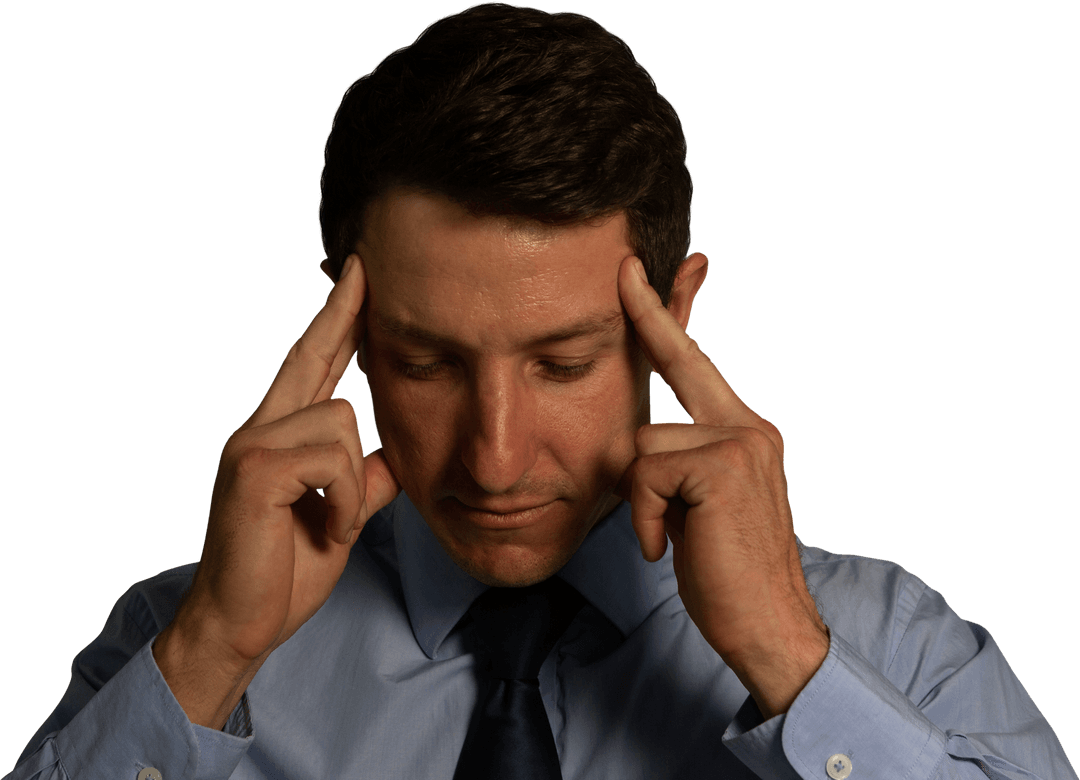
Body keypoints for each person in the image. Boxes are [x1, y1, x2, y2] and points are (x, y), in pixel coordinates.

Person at [7, 4, 1075, 779]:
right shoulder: (179, 644)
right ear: (349, 331)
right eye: (426, 363)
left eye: (562, 364)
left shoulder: (893, 651)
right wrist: (207, 655)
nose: (496, 457)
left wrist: (791, 662)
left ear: (674, 317)